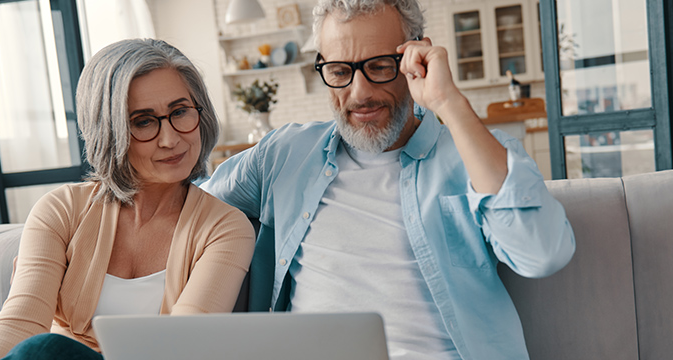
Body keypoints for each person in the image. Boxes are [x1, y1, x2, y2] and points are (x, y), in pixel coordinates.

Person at [200, 0, 575, 359]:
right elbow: (189, 209)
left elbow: (541, 253)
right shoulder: (283, 155)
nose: (360, 93)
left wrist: (447, 101)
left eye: (379, 66)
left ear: (418, 57)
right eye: (339, 71)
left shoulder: (473, 155)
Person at [0, 39, 255, 360]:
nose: (171, 139)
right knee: (43, 348)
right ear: (110, 131)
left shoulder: (226, 228)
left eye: (180, 112)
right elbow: (20, 319)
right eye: (143, 121)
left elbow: (183, 346)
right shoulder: (61, 209)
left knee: (46, 348)